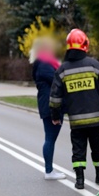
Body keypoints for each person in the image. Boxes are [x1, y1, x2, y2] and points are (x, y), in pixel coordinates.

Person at [50, 29, 99, 190]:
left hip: (76, 120)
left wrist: (56, 115)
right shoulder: (95, 65)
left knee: (78, 148)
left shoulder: (62, 70)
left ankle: (79, 179)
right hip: (97, 118)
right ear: (85, 45)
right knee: (98, 146)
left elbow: (55, 97)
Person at [30, 37, 65, 180]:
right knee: (50, 138)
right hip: (50, 105)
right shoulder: (44, 65)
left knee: (50, 137)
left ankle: (49, 170)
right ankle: (49, 171)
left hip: (48, 104)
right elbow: (58, 81)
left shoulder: (44, 63)